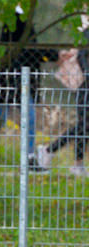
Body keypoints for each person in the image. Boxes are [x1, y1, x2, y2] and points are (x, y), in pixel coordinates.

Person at [0, 7, 55, 172]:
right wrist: (53, 54)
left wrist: (51, 54)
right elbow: (30, 48)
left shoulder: (19, 18)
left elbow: (31, 49)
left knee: (22, 118)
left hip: (13, 80)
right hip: (13, 81)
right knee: (12, 119)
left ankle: (29, 158)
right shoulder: (17, 19)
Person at [36, 39, 89, 177]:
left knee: (84, 126)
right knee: (84, 125)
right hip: (86, 87)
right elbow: (82, 56)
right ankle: (50, 151)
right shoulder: (86, 33)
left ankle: (75, 163)